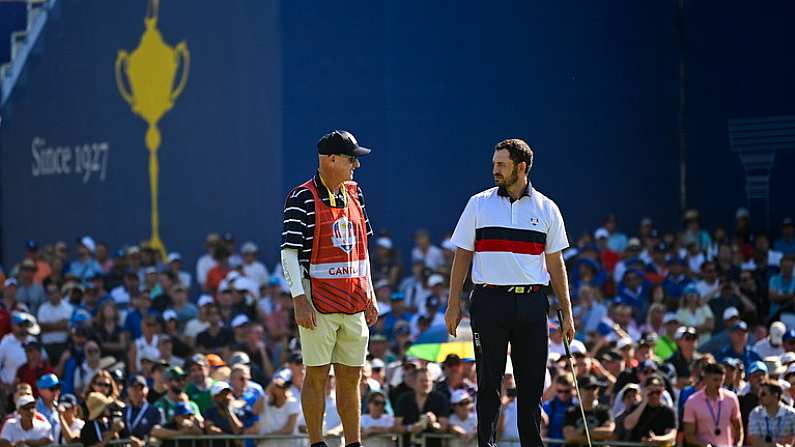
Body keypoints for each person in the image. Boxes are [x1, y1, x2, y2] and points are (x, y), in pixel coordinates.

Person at [446, 138, 574, 447]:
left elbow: (555, 265)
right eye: (493, 164)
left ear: (522, 167)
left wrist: (568, 312)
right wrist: (453, 304)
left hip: (532, 303)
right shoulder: (478, 203)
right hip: (489, 301)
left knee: (530, 387)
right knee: (489, 385)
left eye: (501, 165)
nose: (495, 171)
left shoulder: (547, 208)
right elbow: (462, 255)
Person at [280, 130, 379, 447]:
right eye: (352, 159)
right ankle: (316, 443)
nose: (356, 166)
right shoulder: (302, 197)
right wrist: (298, 299)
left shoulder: (355, 193)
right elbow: (289, 253)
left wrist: (371, 295)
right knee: (317, 375)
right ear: (331, 159)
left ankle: (354, 443)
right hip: (317, 302)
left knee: (353, 377)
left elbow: (362, 248)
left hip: (353, 301)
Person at [683, 362, 743, 447]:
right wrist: (706, 445)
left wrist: (738, 444)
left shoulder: (731, 398)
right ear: (706, 379)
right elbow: (689, 435)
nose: (719, 384)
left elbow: (738, 427)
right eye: (715, 380)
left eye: (721, 380)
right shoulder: (692, 401)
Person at [622, 375, 677, 444]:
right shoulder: (636, 407)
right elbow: (628, 425)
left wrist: (656, 439)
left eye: (658, 392)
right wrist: (644, 402)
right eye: (651, 392)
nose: (654, 395)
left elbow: (671, 435)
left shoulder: (668, 411)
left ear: (663, 392)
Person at [562, 375, 614, 446]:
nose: (591, 391)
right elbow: (570, 436)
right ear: (579, 391)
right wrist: (596, 437)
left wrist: (583, 431)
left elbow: (608, 432)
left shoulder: (604, 410)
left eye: (594, 388)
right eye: (587, 388)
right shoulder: (571, 412)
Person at [747, 380, 795, 447]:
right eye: (759, 393)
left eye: (763, 394)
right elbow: (755, 442)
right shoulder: (755, 413)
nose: (759, 397)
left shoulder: (792, 414)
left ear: (775, 395)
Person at [125, 374, 165, 440]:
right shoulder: (124, 411)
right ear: (128, 390)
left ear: (147, 390)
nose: (138, 392)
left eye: (141, 388)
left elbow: (159, 435)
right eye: (134, 388)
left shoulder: (155, 411)